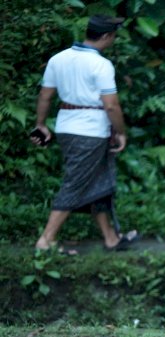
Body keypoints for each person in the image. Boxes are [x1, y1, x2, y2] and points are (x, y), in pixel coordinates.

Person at [31, 15, 139, 254]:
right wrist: (121, 132)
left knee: (98, 181)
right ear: (105, 36)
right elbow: (111, 105)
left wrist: (41, 124)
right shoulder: (100, 65)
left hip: (66, 127)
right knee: (75, 183)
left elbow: (45, 96)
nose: (114, 39)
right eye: (113, 36)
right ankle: (46, 240)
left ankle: (111, 238)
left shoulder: (58, 59)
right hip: (90, 131)